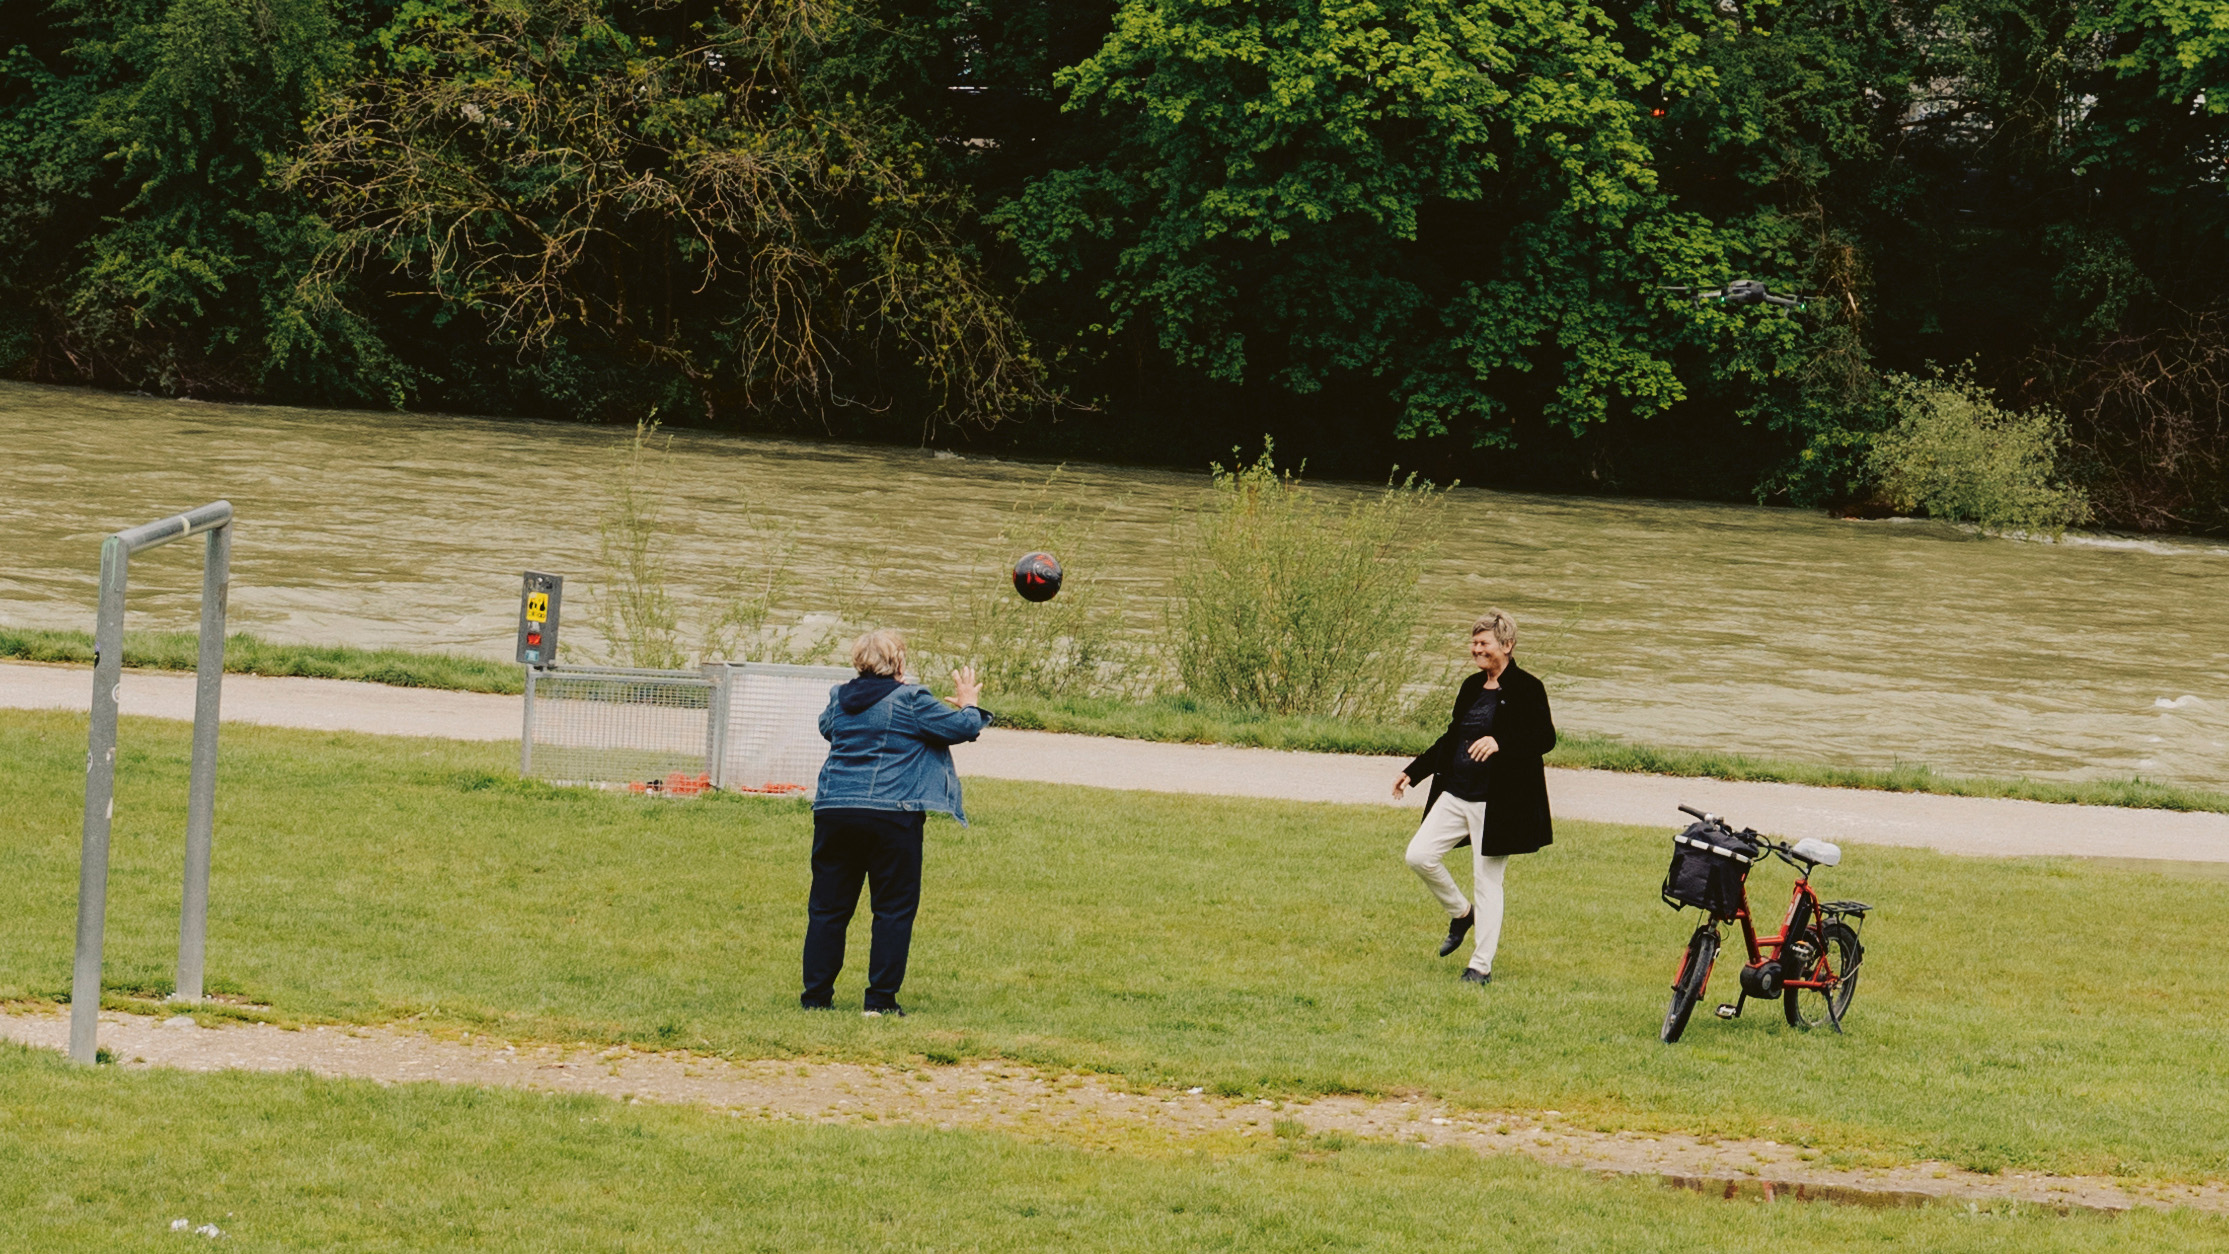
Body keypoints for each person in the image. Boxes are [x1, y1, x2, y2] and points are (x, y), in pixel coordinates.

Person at [802, 629, 991, 1017]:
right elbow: (963, 728)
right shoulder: (911, 699)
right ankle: (879, 1002)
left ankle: (816, 999)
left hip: (834, 811)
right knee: (892, 909)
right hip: (891, 815)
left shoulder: (839, 698)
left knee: (828, 909)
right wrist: (969, 703)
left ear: (858, 661)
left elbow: (827, 728)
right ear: (900, 662)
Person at [1392, 609, 1557, 985]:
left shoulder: (1528, 688)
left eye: (1483, 643)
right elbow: (1452, 738)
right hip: (1456, 794)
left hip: (1497, 803)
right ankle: (1461, 913)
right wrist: (1412, 772)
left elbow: (1544, 739)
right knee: (1419, 855)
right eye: (1474, 642)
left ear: (1507, 646)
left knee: (1488, 881)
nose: (1475, 649)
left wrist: (1501, 742)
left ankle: (1480, 966)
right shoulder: (1471, 687)